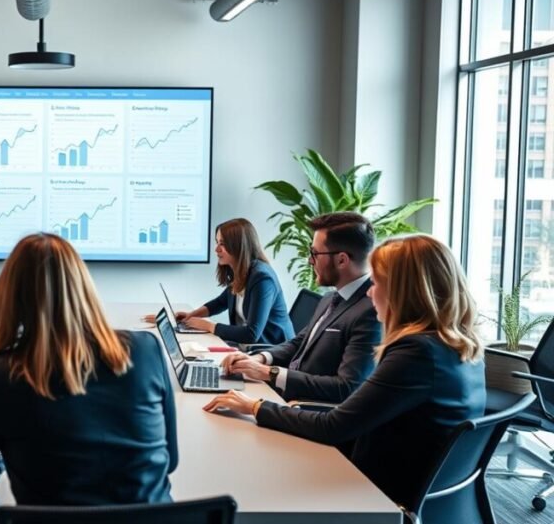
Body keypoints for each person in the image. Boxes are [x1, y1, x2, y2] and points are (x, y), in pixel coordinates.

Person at [203, 234, 486, 509]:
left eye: (377, 283)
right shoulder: (459, 346)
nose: (370, 292)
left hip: (372, 492)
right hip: (415, 490)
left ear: (403, 292)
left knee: (240, 476)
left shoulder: (416, 353)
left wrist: (254, 406)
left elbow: (334, 426)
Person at [0, 233, 178, 505]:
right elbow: (169, 460)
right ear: (83, 288)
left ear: (10, 294)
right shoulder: (145, 350)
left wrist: (3, 447)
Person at [220, 212, 382, 403]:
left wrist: (268, 373)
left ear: (341, 260)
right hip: (284, 395)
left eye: (315, 253)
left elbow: (345, 388)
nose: (309, 261)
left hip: (302, 407)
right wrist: (259, 358)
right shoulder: (330, 298)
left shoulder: (372, 310)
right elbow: (299, 342)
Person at [148, 218, 293, 345]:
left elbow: (252, 334)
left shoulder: (262, 279)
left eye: (222, 244)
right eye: (217, 242)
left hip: (270, 351)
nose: (216, 249)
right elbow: (220, 303)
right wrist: (191, 315)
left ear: (238, 245)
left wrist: (208, 326)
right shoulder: (241, 271)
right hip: (247, 348)